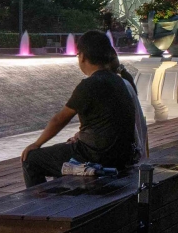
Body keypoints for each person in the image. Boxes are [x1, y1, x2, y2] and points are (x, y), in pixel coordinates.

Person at [22, 29, 142, 187]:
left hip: (95, 156)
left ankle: (37, 203)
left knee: (31, 159)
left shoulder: (90, 85)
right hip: (122, 155)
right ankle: (59, 195)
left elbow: (59, 119)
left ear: (83, 56)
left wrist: (36, 144)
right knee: (62, 152)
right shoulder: (119, 82)